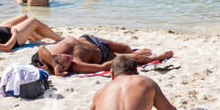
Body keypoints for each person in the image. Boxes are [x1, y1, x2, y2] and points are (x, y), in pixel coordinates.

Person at [31, 34, 171, 76]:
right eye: (69, 63)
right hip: (103, 56)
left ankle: (134, 52)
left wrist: (55, 65)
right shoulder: (76, 66)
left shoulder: (54, 53)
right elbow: (103, 66)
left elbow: (41, 48)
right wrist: (129, 58)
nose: (70, 59)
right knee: (129, 57)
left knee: (126, 47)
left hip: (92, 40)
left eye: (66, 58)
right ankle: (154, 57)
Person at [0, 15, 64, 52]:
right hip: (12, 37)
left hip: (0, 29)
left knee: (24, 17)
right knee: (34, 21)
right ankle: (59, 39)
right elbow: (6, 47)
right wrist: (14, 33)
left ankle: (35, 38)